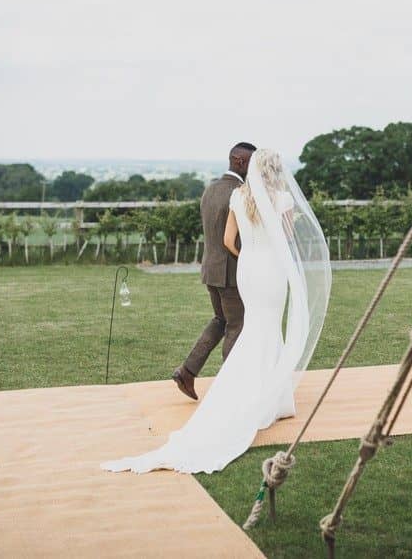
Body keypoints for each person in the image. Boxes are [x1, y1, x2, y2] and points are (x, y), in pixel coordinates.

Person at [102, 149, 331, 474]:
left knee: (254, 327)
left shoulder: (239, 197)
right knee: (268, 329)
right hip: (271, 271)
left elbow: (228, 240)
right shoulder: (281, 199)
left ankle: (267, 395)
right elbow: (288, 240)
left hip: (248, 271)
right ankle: (269, 398)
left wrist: (249, 255)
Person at [171, 142, 255, 400]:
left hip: (211, 268)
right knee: (236, 326)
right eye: (252, 163)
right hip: (230, 271)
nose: (254, 170)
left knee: (220, 321)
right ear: (240, 162)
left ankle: (187, 371)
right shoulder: (239, 193)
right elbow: (235, 238)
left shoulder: (210, 189)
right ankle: (230, 388)